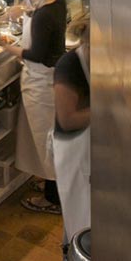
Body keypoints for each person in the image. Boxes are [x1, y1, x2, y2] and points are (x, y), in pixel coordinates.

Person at [0, 0, 66, 214]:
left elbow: (35, 54)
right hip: (50, 76)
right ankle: (52, 185)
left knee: (46, 138)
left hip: (42, 80)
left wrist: (2, 43)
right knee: (46, 136)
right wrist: (18, 10)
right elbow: (33, 8)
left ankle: (54, 199)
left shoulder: (43, 16)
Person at [53, 17, 90, 243]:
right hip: (73, 150)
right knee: (79, 215)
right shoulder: (69, 67)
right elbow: (67, 120)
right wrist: (107, 110)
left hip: (92, 148)